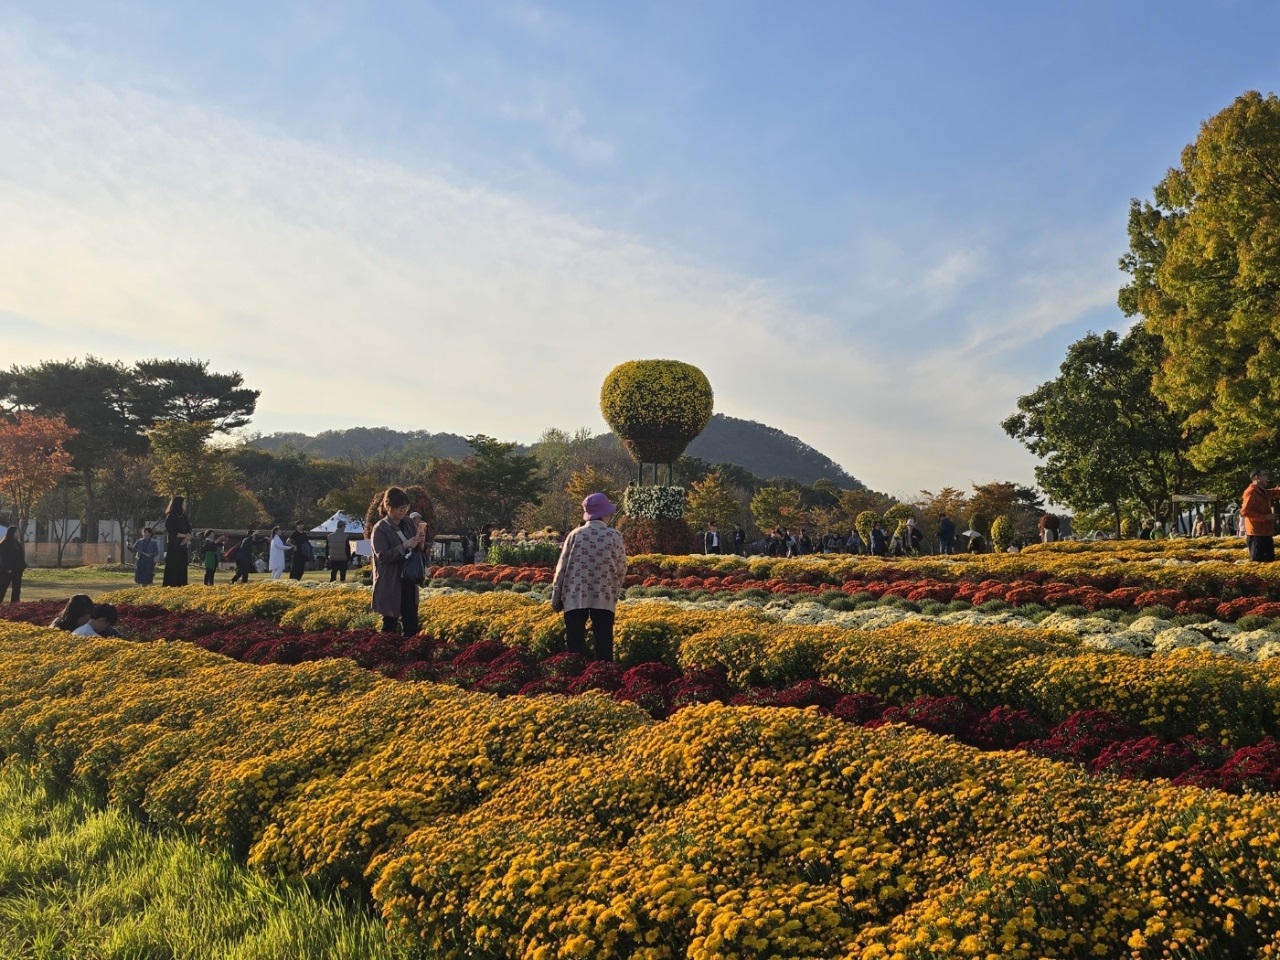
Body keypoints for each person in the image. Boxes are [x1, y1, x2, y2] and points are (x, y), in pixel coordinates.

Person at [551, 493, 627, 662]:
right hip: (603, 595)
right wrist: (615, 587)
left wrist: (556, 595)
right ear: (605, 514)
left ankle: (575, 672)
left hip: (575, 595)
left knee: (575, 643)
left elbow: (561, 568)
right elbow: (621, 568)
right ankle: (602, 673)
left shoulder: (575, 535)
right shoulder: (614, 536)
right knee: (603, 642)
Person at [370, 487, 427, 636]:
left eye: (405, 507)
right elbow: (383, 556)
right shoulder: (380, 528)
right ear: (388, 506)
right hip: (391, 580)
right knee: (390, 623)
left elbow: (418, 550)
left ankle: (410, 648)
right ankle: (387, 648)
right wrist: (404, 546)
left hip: (409, 577)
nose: (402, 511)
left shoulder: (408, 522)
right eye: (399, 508)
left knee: (411, 622)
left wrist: (420, 541)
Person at [1241, 468, 1280, 562]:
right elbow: (1245, 511)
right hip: (1256, 534)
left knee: (1269, 562)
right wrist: (1264, 517)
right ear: (1257, 477)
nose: (1268, 478)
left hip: (1265, 533)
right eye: (1265, 475)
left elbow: (1274, 492)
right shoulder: (1251, 492)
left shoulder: (1263, 491)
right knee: (1257, 563)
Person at [161, 496, 192, 587]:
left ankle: (182, 585)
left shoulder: (184, 516)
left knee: (182, 566)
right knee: (173, 566)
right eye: (184, 503)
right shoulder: (171, 516)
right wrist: (185, 536)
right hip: (174, 546)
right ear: (179, 504)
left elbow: (189, 528)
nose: (185, 505)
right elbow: (171, 531)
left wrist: (188, 536)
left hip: (183, 546)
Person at [0, 524, 27, 603]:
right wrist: (7, 568)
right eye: (17, 532)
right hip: (6, 571)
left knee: (17, 588)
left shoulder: (17, 544)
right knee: (3, 587)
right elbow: (3, 557)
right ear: (13, 533)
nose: (18, 534)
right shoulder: (4, 544)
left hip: (17, 570)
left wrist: (23, 566)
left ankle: (15, 603)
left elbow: (21, 556)